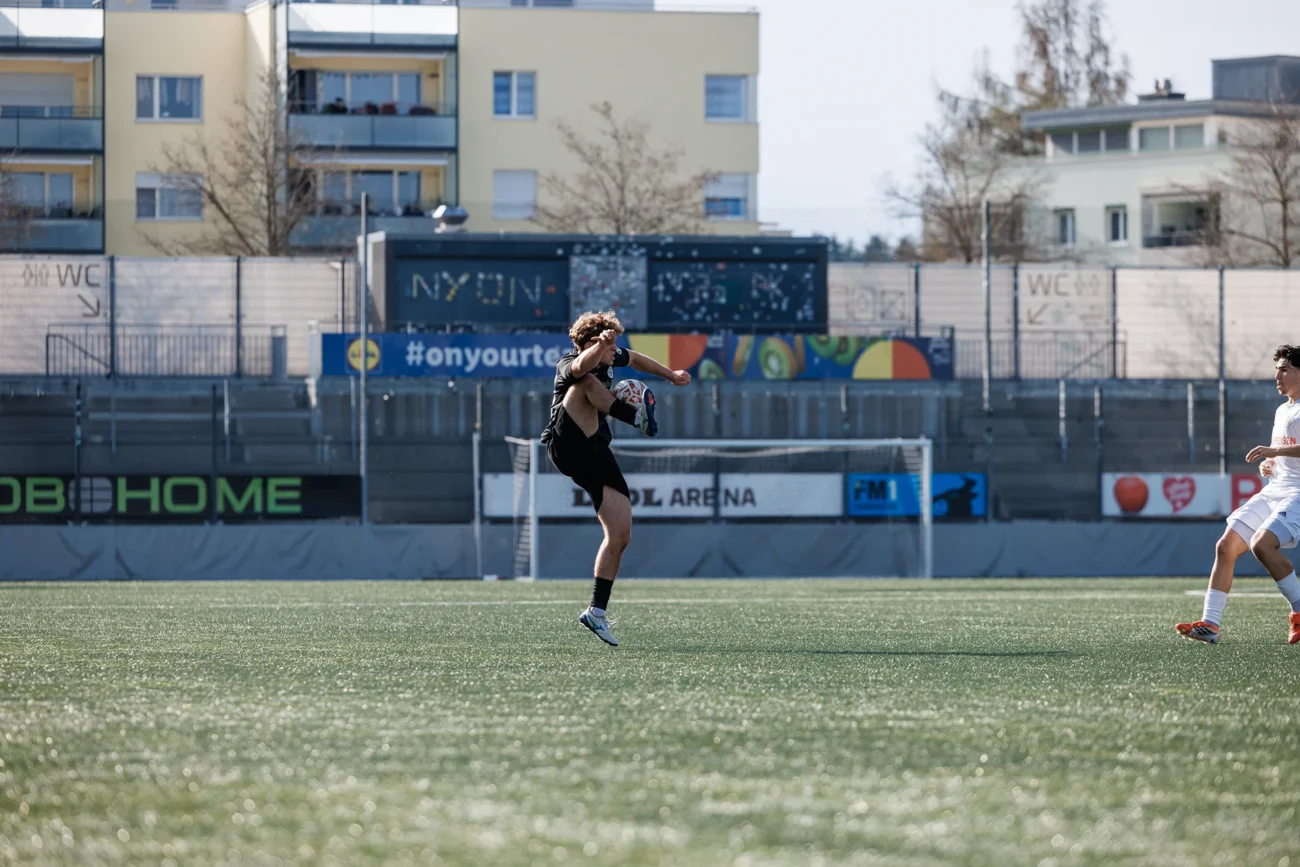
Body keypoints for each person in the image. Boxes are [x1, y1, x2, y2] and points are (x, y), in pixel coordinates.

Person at [541, 310, 692, 647]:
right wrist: (599, 347)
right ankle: (637, 419)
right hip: (565, 443)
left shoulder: (611, 357)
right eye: (609, 344)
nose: (614, 350)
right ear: (591, 343)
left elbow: (635, 359)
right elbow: (580, 368)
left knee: (620, 533)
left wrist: (670, 375)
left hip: (594, 450)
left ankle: (596, 611)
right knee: (585, 382)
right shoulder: (569, 362)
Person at [1177, 344, 1300, 645]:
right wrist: (1271, 464)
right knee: (1226, 546)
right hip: (1275, 490)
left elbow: (1283, 449)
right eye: (1276, 370)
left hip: (1297, 494)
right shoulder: (1283, 409)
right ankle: (1210, 624)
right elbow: (1285, 455)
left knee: (1262, 545)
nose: (1277, 376)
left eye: (1284, 369)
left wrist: (1274, 451)